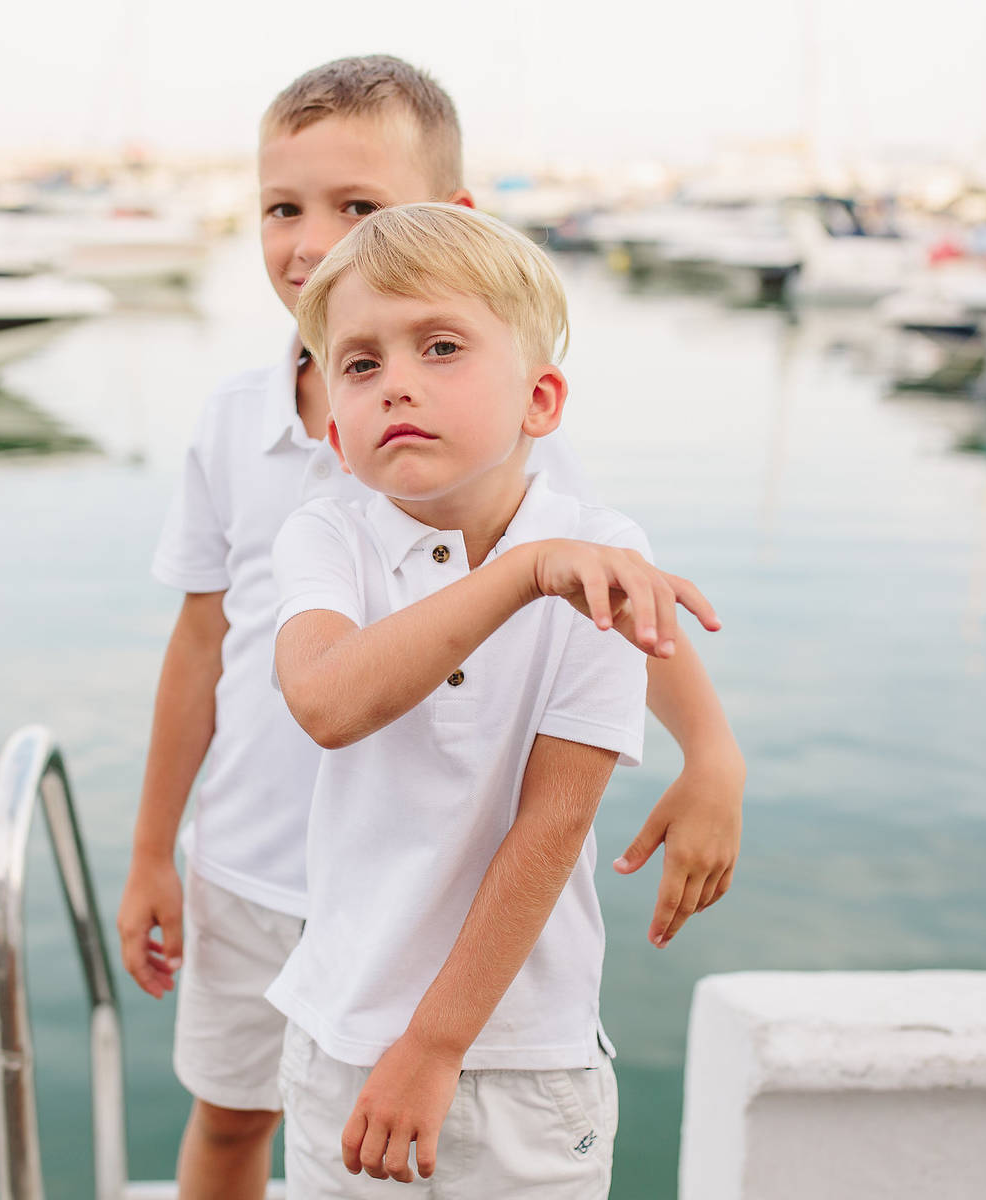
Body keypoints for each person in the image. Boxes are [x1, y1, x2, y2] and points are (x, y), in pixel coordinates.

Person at [117, 55, 744, 1199]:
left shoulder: (528, 466)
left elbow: (613, 594)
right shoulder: (261, 455)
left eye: (358, 208)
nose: (314, 241)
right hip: (259, 860)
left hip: (451, 923)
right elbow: (209, 649)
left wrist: (715, 752)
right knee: (229, 1120)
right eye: (283, 209)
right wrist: (155, 849)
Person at [271, 201, 713, 1195]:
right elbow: (328, 702)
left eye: (440, 347)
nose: (398, 386)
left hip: (523, 1061)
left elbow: (552, 827)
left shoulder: (608, 558)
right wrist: (521, 575)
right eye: (361, 364)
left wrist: (435, 1046)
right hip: (342, 1036)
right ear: (337, 434)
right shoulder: (323, 538)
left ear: (540, 400)